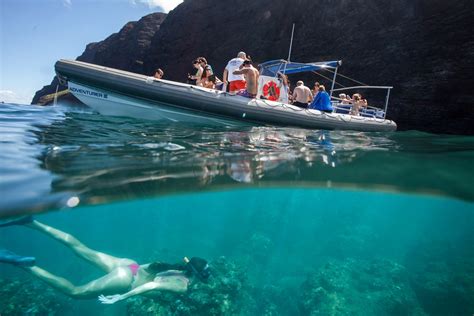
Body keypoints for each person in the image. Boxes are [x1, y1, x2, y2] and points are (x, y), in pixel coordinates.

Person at [0, 216, 210, 303]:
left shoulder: (177, 268)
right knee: (75, 292)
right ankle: (24, 264)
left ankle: (32, 223)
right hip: (126, 279)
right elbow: (151, 286)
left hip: (130, 264)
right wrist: (121, 297)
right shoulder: (182, 285)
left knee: (80, 249)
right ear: (199, 276)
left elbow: (152, 271)